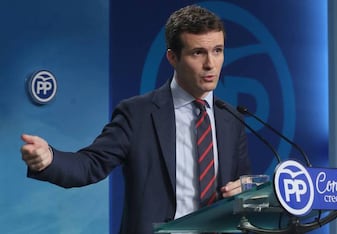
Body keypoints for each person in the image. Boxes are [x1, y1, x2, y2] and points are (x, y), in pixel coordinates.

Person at [20, 4, 251, 234]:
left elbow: (243, 188)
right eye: (198, 52)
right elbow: (90, 165)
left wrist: (247, 189)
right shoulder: (137, 113)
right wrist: (49, 159)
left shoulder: (230, 117)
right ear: (172, 57)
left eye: (218, 51)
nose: (210, 64)